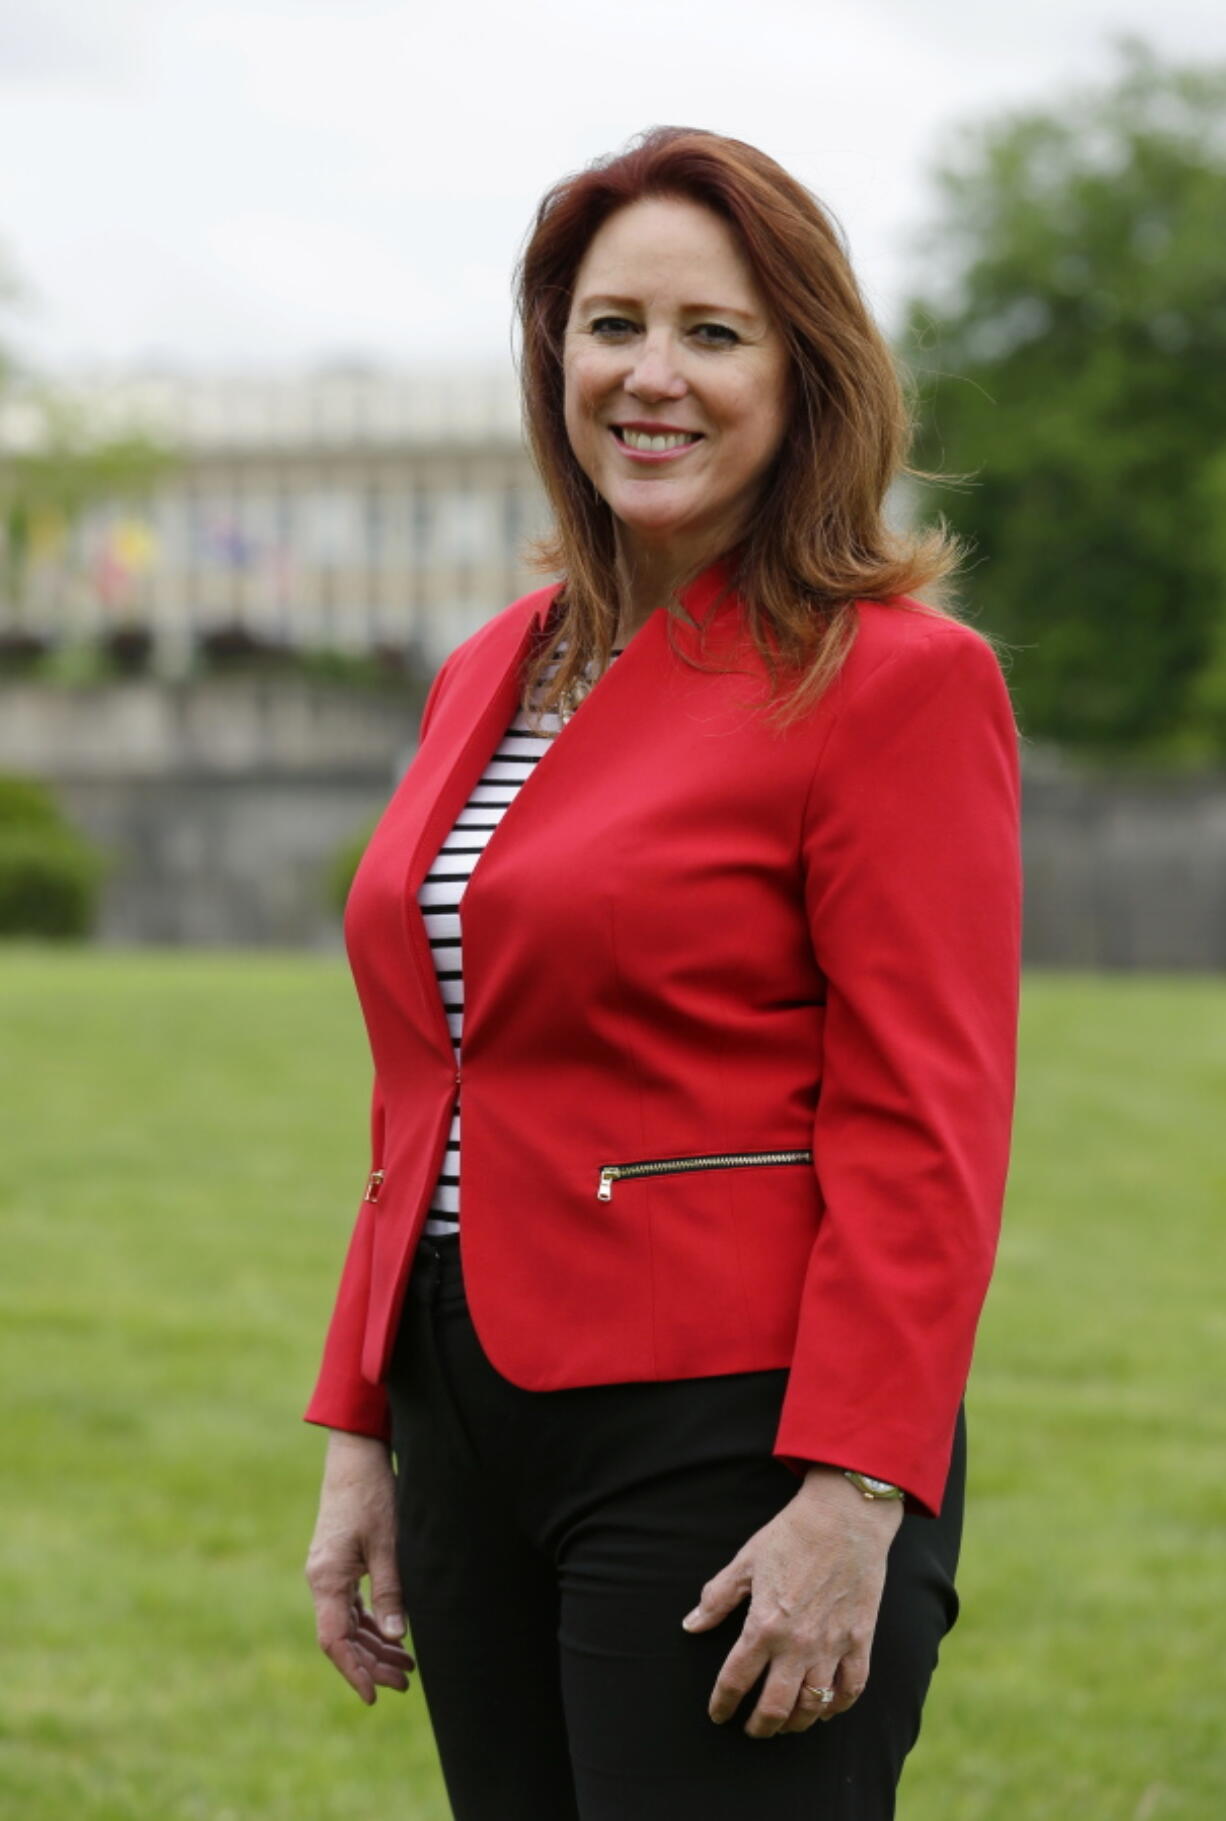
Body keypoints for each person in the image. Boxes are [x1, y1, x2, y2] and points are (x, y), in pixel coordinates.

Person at [303, 125, 1022, 1821]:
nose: (651, 376)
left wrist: (856, 1492)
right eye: (610, 322)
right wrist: (364, 1428)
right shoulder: (494, 663)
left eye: (714, 332)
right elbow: (435, 1079)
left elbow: (928, 1121)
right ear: (553, 349)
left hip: (734, 1433)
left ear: (805, 374)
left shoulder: (890, 681)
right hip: (465, 1412)